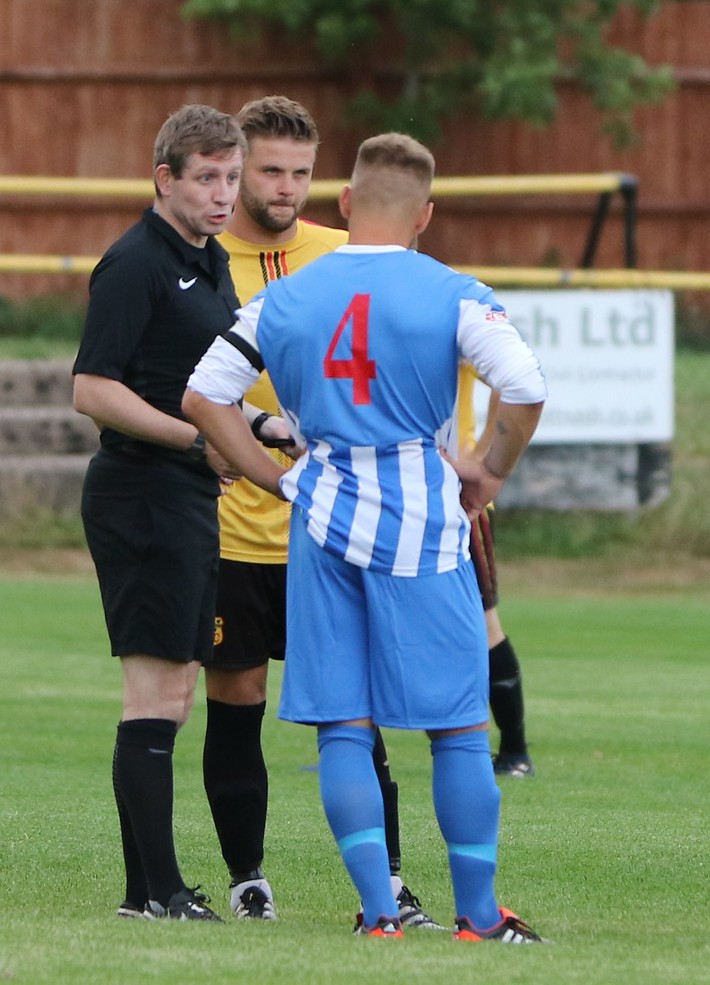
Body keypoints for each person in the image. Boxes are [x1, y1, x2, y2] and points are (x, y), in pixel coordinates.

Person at [184, 131, 548, 942]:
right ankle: (478, 914)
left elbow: (204, 397)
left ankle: (379, 913)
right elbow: (523, 386)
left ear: (344, 205)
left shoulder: (284, 298)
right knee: (456, 725)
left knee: (342, 722)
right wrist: (488, 467)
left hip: (320, 517)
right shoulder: (453, 291)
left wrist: (269, 475)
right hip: (421, 520)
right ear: (425, 214)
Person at [203, 94, 444, 930]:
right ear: (236, 171)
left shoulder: (348, 254)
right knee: (236, 699)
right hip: (237, 530)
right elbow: (195, 390)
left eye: (300, 172)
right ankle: (247, 879)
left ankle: (391, 885)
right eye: (268, 170)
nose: (284, 187)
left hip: (341, 529)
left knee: (360, 712)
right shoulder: (200, 260)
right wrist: (259, 469)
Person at [72, 104, 246, 922]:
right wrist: (195, 440)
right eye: (206, 177)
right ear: (164, 178)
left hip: (184, 496)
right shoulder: (136, 261)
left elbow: (209, 388)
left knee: (175, 692)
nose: (223, 194)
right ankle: (156, 893)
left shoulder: (212, 264)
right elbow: (93, 389)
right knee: (154, 692)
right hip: (139, 495)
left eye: (232, 178)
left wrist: (263, 430)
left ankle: (149, 890)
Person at [456, 376, 536, 778]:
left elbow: (512, 380)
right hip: (395, 491)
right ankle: (353, 743)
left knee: (484, 624)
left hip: (457, 500)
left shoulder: (456, 315)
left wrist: (481, 450)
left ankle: (515, 750)